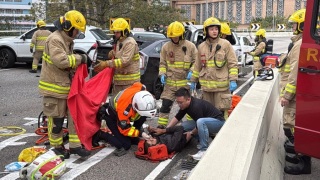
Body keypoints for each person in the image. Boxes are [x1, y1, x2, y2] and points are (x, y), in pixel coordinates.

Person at [39, 10, 90, 158]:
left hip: (65, 87)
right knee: (57, 121)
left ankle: (74, 146)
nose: (77, 33)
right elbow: (62, 61)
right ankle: (56, 147)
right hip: (53, 88)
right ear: (68, 27)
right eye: (76, 30)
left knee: (74, 116)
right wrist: (81, 58)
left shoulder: (66, 39)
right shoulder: (55, 39)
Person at [277, 9, 311, 175]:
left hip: (295, 96)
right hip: (298, 94)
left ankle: (304, 163)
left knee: (296, 127)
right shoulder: (300, 43)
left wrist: (286, 95)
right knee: (296, 127)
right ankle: (299, 157)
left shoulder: (299, 45)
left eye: (295, 24)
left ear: (302, 25)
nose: (293, 27)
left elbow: (295, 73)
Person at [190, 17, 238, 120]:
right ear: (206, 31)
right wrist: (193, 81)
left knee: (220, 113)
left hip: (221, 89)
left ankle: (221, 133)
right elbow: (197, 66)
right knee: (208, 113)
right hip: (207, 88)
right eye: (211, 29)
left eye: (216, 29)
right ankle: (211, 135)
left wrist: (233, 80)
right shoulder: (201, 46)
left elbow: (232, 63)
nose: (214, 31)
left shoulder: (225, 44)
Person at [93, 82, 157, 156]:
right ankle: (101, 135)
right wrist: (141, 133)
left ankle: (135, 133)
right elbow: (125, 129)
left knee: (142, 119)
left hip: (124, 114)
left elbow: (137, 84)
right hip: (112, 118)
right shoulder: (125, 110)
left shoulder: (142, 89)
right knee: (125, 144)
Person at [166, 87, 225, 160]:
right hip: (206, 122)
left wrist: (190, 134)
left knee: (200, 122)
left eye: (181, 102)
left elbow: (198, 125)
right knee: (184, 126)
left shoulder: (195, 106)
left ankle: (204, 150)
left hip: (219, 123)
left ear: (188, 99)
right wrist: (167, 130)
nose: (179, 105)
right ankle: (207, 138)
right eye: (177, 102)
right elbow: (177, 117)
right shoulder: (185, 105)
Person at [158, 21, 198, 126]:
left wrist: (192, 71)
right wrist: (162, 73)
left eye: (176, 36)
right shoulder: (166, 47)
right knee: (165, 106)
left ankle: (191, 126)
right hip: (170, 84)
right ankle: (160, 128)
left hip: (185, 83)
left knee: (190, 107)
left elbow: (196, 62)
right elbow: (162, 63)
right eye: (172, 36)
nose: (174, 38)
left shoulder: (190, 46)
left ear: (182, 35)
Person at [93, 18, 140, 95]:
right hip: (119, 82)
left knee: (126, 105)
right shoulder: (119, 42)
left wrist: (107, 64)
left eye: (117, 32)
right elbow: (117, 55)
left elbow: (124, 61)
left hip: (130, 82)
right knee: (115, 104)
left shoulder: (130, 43)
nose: (115, 34)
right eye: (114, 32)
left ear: (124, 32)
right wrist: (112, 53)